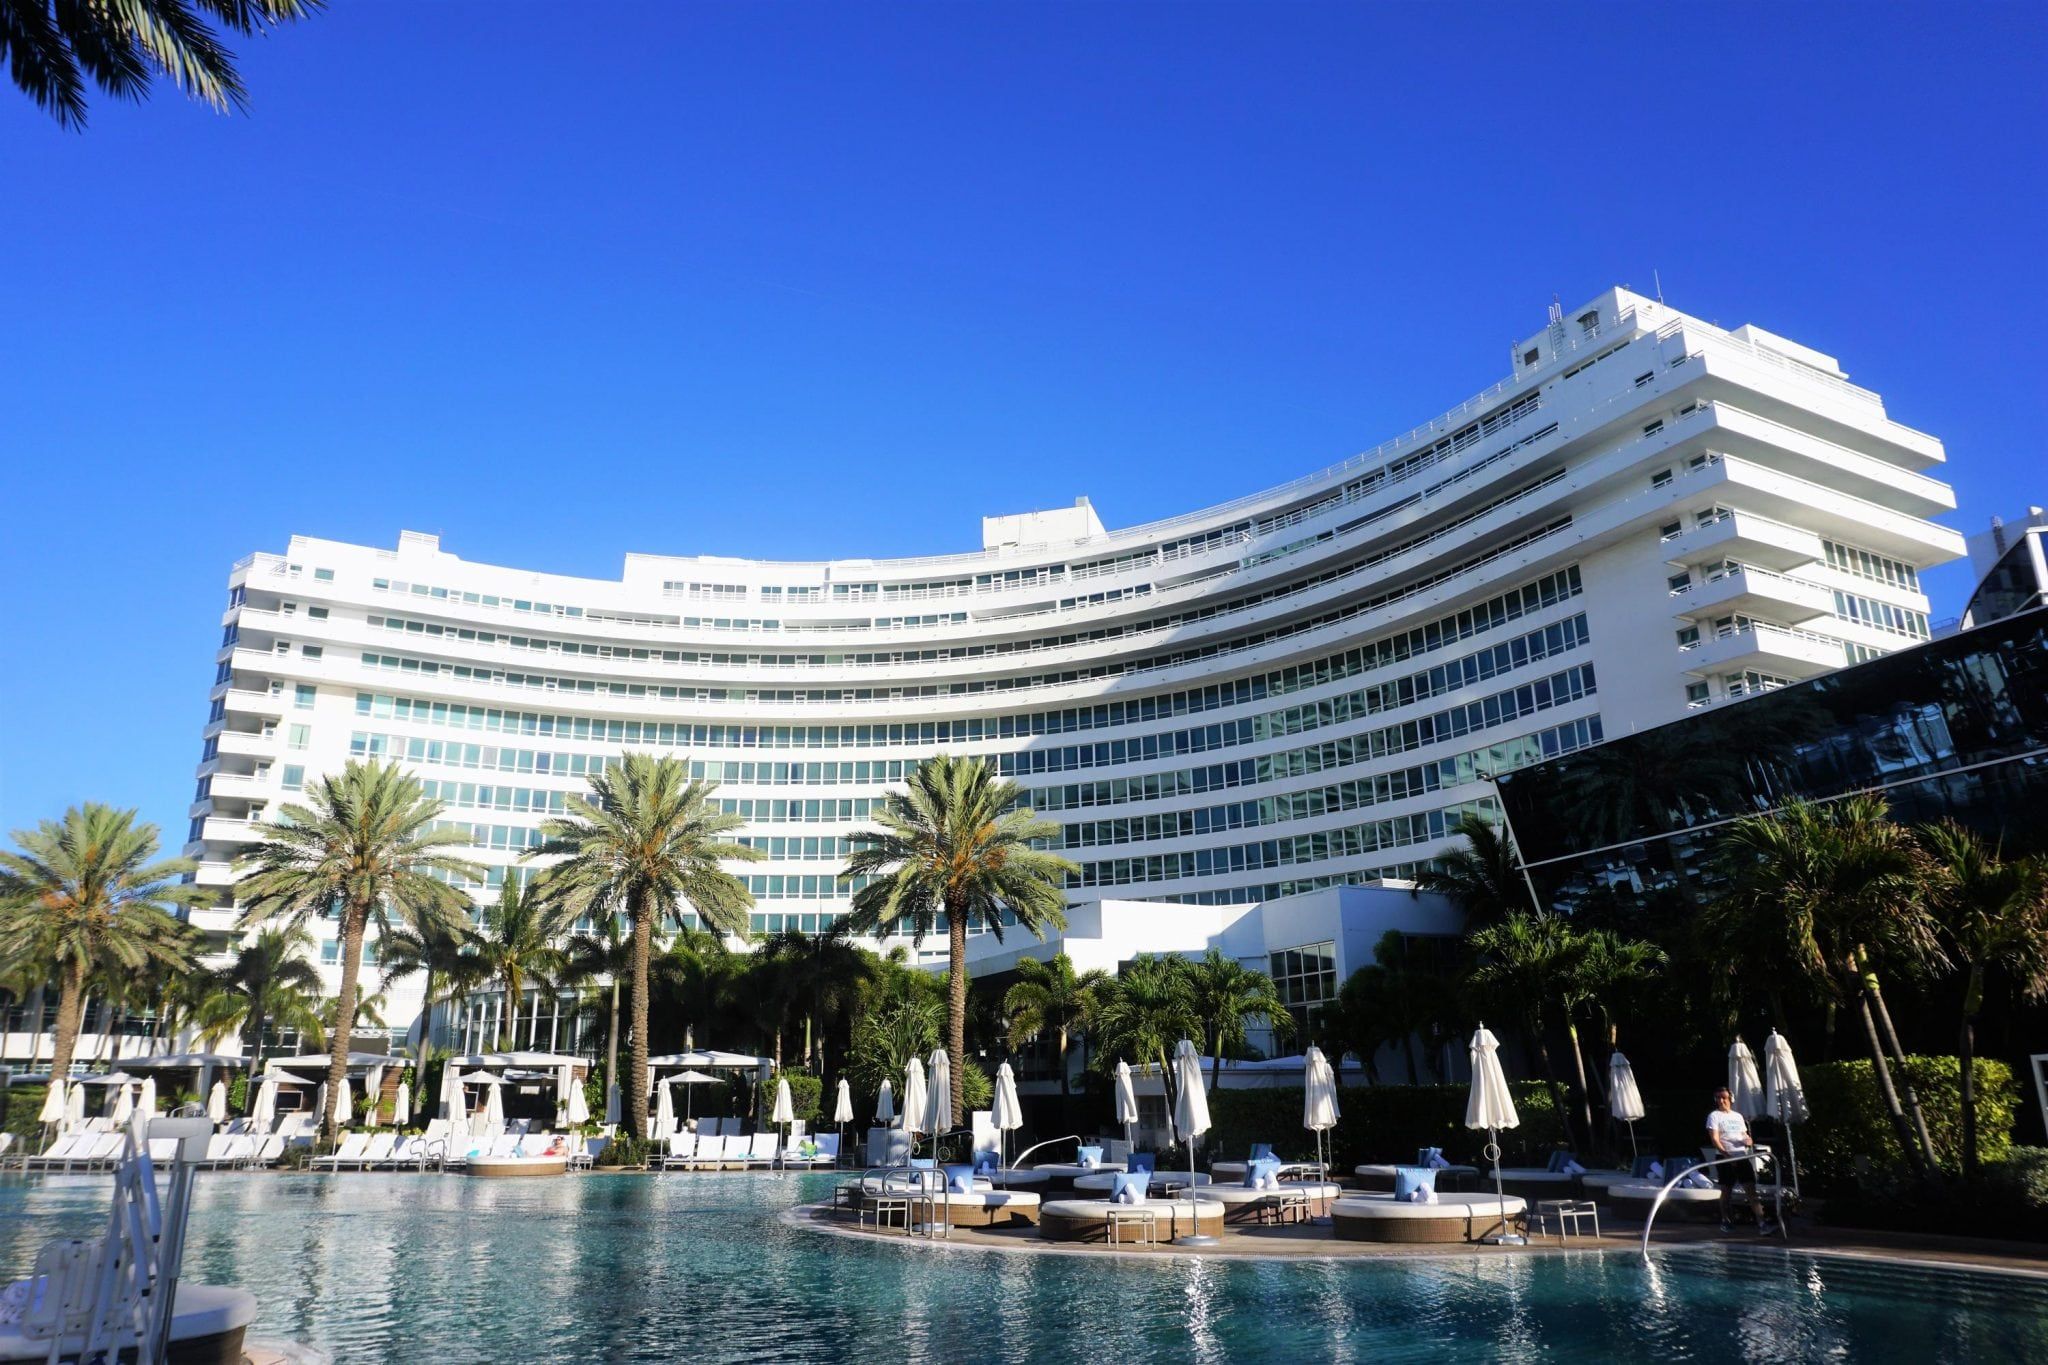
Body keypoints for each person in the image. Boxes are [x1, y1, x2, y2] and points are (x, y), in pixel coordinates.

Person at [1706, 1086, 1776, 1234]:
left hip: (1742, 1156)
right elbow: (1715, 1139)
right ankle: (1726, 1221)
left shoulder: (1738, 1116)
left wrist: (1748, 1140)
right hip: (1724, 1158)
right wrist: (1726, 1155)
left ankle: (1762, 1223)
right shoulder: (1714, 1116)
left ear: (1730, 1099)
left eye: (1724, 1097)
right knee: (1726, 1191)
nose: (1721, 1100)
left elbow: (1743, 1134)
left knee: (1751, 1190)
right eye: (1718, 1098)